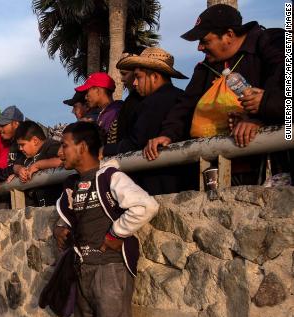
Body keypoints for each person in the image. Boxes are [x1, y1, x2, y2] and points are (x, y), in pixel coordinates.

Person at [47, 121, 158, 317]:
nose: (61, 151)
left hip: (111, 272)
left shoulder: (112, 177)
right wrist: (60, 228)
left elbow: (146, 205)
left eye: (65, 145)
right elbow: (68, 214)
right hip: (83, 272)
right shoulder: (73, 184)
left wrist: (116, 233)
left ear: (82, 147)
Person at [147, 5, 284, 154]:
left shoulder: (273, 42)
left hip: (272, 160)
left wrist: (260, 116)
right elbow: (185, 106)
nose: (199, 48)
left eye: (205, 41)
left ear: (229, 35)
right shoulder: (205, 67)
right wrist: (167, 135)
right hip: (217, 164)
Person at [110, 47, 191, 195]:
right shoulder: (181, 96)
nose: (134, 83)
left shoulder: (154, 102)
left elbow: (136, 142)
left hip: (158, 185)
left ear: (154, 77)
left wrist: (103, 151)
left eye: (138, 77)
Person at [15, 121, 63, 206]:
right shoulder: (26, 156)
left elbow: (63, 161)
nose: (20, 148)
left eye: (22, 145)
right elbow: (15, 166)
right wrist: (19, 170)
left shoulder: (51, 146)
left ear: (35, 140)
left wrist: (38, 165)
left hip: (55, 209)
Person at [75, 72, 123, 145]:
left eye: (87, 92)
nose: (86, 97)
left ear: (97, 90)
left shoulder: (115, 111)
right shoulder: (105, 112)